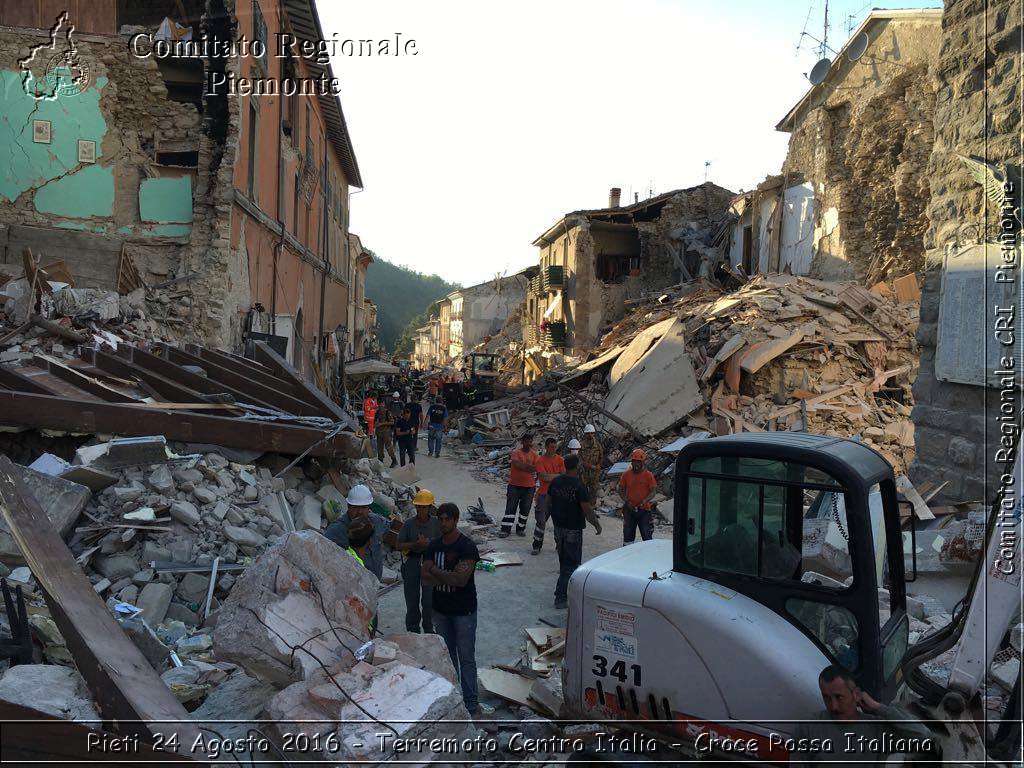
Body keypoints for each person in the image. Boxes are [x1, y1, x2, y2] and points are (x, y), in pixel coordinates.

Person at [790, 665, 932, 768]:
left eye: (839, 697)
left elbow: (924, 737)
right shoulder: (808, 727)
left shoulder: (877, 729)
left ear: (856, 695)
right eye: (826, 698)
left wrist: (880, 708)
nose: (833, 706)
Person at [422, 503, 480, 715]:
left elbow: (461, 580)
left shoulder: (467, 547)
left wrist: (435, 570)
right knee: (447, 657)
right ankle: (454, 698)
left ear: (455, 520)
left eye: (447, 519)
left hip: (463, 612)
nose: (443, 523)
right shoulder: (433, 545)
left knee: (466, 658)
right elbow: (424, 578)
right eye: (440, 519)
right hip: (440, 610)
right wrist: (447, 577)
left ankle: (471, 703)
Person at [548, 454, 601, 608]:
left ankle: (566, 592)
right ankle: (561, 596)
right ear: (577, 466)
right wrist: (596, 524)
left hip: (558, 527)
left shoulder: (556, 481)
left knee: (563, 560)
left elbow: (548, 503)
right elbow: (586, 510)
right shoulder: (579, 485)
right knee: (571, 563)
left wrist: (545, 521)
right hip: (573, 529)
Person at [396, 489, 440, 633]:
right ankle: (413, 629)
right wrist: (415, 544)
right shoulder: (409, 524)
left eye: (424, 507)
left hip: (429, 564)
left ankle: (429, 628)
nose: (421, 510)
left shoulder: (437, 523)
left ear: (430, 508)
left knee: (429, 601)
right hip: (412, 564)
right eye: (419, 507)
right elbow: (398, 544)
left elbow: (443, 542)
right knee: (412, 601)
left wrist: (429, 544)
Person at [324, 484, 389, 581]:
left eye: (363, 507)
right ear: (348, 506)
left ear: (369, 508)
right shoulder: (336, 530)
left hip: (374, 584)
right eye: (355, 507)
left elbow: (386, 528)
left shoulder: (376, 521)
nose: (359, 512)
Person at [530, 437, 565, 554]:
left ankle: (559, 545)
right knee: (541, 521)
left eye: (555, 447)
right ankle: (537, 545)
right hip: (543, 495)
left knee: (559, 522)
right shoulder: (540, 461)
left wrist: (552, 476)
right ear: (546, 447)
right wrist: (558, 475)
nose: (554, 449)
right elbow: (544, 477)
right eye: (551, 447)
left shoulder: (560, 460)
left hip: (557, 496)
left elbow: (564, 475)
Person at [499, 433, 539, 537]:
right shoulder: (515, 453)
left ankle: (520, 528)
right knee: (510, 508)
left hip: (529, 487)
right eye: (527, 441)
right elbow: (518, 465)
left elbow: (537, 468)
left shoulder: (535, 454)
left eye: (530, 441)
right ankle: (505, 529)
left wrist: (529, 468)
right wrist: (530, 467)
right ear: (522, 442)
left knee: (525, 509)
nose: (529, 443)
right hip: (515, 485)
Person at [618, 448, 658, 544]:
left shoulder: (648, 475)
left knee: (647, 536)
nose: (636, 464)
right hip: (629, 510)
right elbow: (621, 489)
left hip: (644, 510)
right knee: (628, 537)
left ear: (643, 462)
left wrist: (645, 500)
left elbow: (653, 491)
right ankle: (627, 555)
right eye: (634, 462)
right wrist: (627, 501)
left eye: (638, 462)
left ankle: (648, 556)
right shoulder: (626, 475)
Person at [578, 424, 604, 505]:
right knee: (583, 489)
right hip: (584, 472)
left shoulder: (597, 445)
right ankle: (583, 506)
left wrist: (598, 465)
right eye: (588, 433)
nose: (590, 435)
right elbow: (578, 457)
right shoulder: (581, 445)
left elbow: (601, 456)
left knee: (593, 489)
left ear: (594, 433)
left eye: (591, 433)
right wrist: (584, 464)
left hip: (594, 472)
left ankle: (592, 508)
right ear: (585, 434)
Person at [374, 403, 398, 467]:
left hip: (386, 432)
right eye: (379, 406)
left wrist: (382, 424)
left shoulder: (387, 412)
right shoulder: (377, 413)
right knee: (379, 448)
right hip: (379, 432)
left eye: (381, 406)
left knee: (388, 447)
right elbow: (375, 422)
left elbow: (392, 422)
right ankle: (380, 461)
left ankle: (394, 460)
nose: (380, 408)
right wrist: (375, 425)